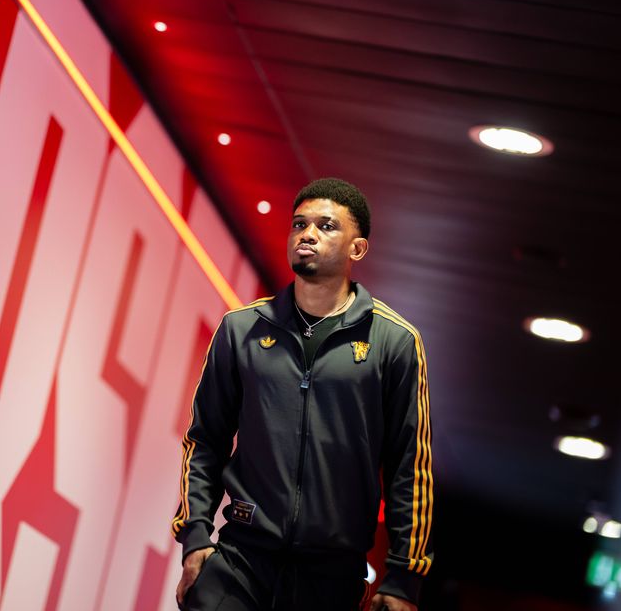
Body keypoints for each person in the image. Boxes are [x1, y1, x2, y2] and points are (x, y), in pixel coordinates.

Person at [172, 178, 433, 611]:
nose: (307, 234)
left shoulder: (395, 341)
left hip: (331, 575)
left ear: (358, 249)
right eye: (299, 224)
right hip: (239, 559)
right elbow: (205, 440)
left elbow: (410, 466)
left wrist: (404, 578)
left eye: (326, 226)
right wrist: (196, 535)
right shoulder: (242, 329)